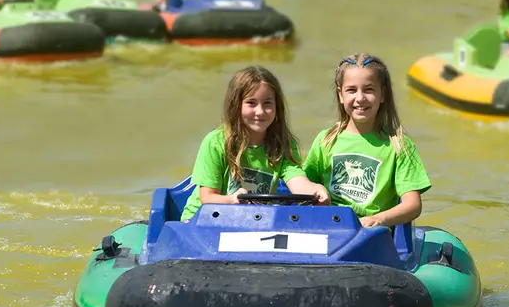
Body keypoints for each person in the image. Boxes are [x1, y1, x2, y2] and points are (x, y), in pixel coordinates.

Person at [180, 66, 330, 222]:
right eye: (251, 103)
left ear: (277, 107)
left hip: (251, 221)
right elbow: (207, 197)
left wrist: (315, 190)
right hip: (201, 219)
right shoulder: (216, 142)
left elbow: (297, 181)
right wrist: (232, 200)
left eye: (267, 103)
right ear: (236, 105)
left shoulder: (281, 144)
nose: (260, 111)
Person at [303, 54, 431, 228]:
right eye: (351, 90)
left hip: (374, 235)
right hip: (329, 228)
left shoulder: (399, 145)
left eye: (369, 90)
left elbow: (413, 205)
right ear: (340, 95)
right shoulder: (324, 140)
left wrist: (379, 219)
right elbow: (304, 187)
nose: (360, 98)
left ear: (382, 94)